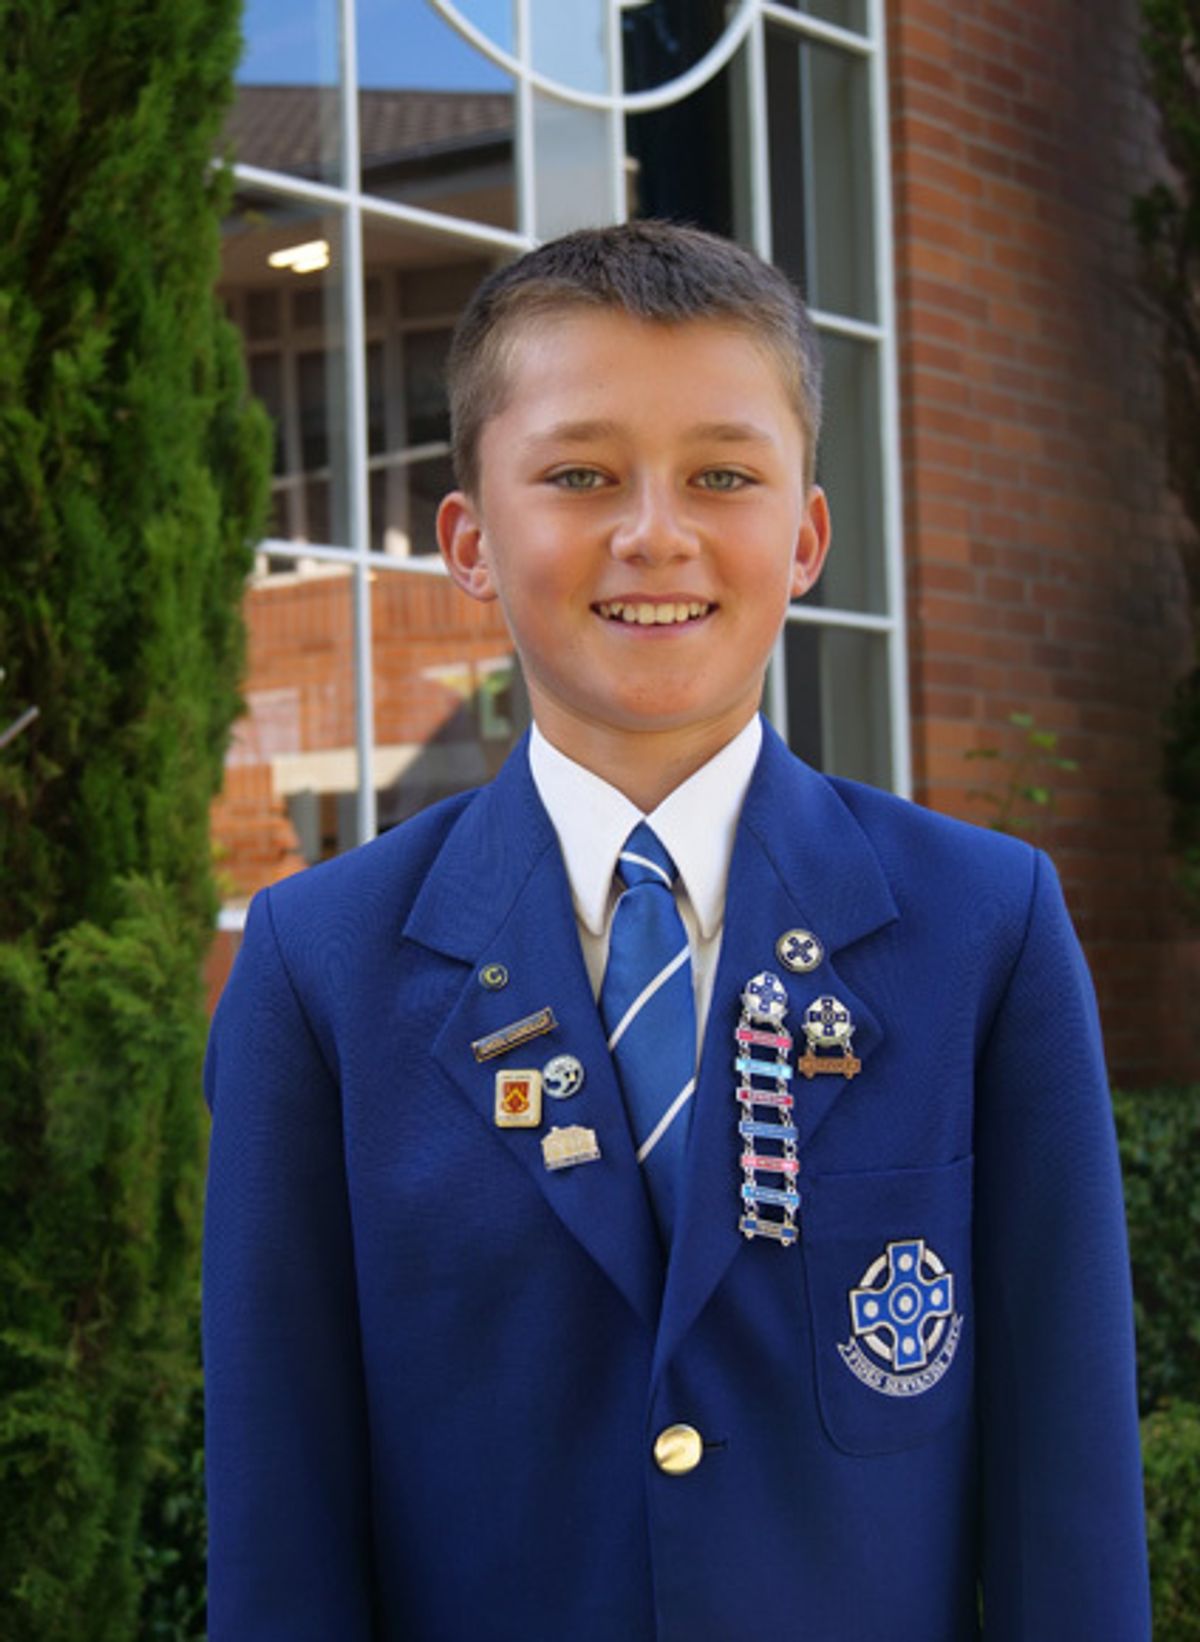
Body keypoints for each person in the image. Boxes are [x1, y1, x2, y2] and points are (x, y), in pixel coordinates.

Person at [202, 221, 1150, 1640]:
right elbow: (282, 1531)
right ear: (469, 541)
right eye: (580, 475)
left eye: (723, 474)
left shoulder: (985, 931)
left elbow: (1066, 1504)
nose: (656, 532)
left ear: (806, 536)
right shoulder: (320, 967)